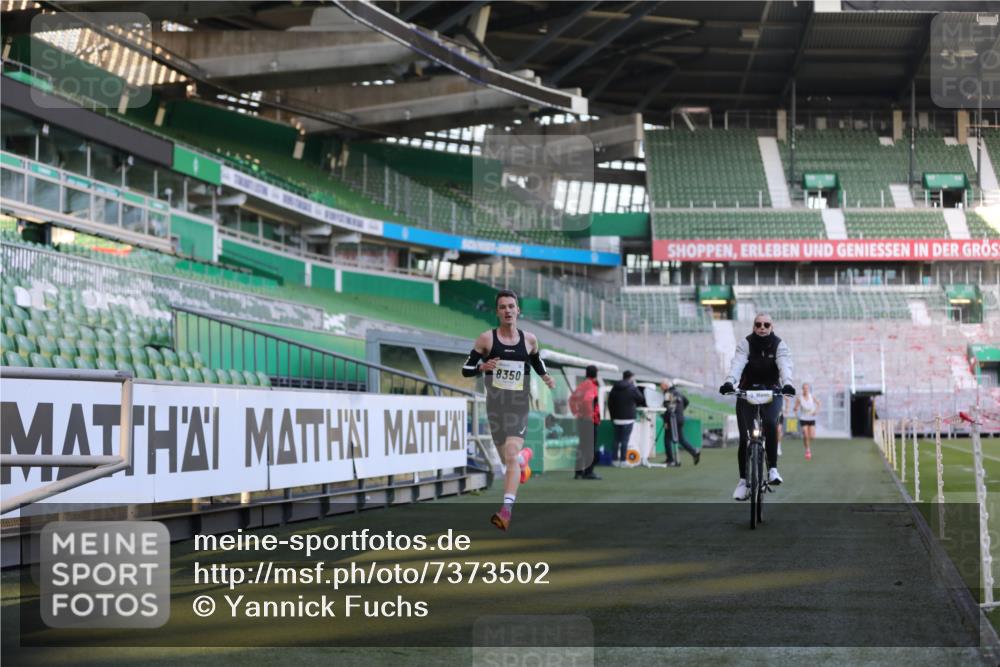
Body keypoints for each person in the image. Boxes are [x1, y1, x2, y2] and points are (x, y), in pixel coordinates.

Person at [462, 289, 556, 531]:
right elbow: (466, 368)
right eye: (503, 307)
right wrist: (482, 367)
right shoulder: (486, 339)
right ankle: (525, 459)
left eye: (511, 306)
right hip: (495, 407)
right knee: (509, 459)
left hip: (518, 406)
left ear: (518, 310)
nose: (507, 311)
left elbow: (535, 359)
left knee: (511, 454)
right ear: (497, 312)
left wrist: (544, 375)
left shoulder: (530, 339)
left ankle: (506, 511)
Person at [719, 313, 794, 501]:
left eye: (766, 324)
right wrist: (729, 382)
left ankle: (773, 470)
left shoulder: (779, 345)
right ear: (754, 326)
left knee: (770, 423)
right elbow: (737, 364)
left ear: (771, 327)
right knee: (745, 437)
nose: (762, 327)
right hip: (747, 391)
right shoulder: (745, 343)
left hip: (772, 391)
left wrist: (788, 383)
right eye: (758, 324)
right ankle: (743, 481)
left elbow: (785, 365)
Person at [608, 370, 646, 466]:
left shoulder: (614, 387)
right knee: (625, 440)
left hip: (616, 417)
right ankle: (623, 461)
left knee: (616, 439)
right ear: (631, 377)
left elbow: (610, 402)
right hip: (628, 418)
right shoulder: (632, 388)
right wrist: (635, 386)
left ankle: (614, 460)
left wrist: (612, 416)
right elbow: (641, 398)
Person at [569, 365, 601, 480]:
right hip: (589, 420)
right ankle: (588, 472)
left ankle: (578, 472)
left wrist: (576, 412)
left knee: (582, 446)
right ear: (596, 374)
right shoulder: (591, 385)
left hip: (582, 420)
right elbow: (588, 400)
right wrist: (590, 415)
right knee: (590, 447)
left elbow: (572, 399)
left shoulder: (582, 385)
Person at [660, 379, 699, 466]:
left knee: (667, 439)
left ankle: (670, 460)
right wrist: (680, 411)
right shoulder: (678, 393)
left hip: (672, 419)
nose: (660, 387)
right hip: (680, 418)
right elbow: (686, 402)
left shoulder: (668, 394)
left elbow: (668, 408)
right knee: (681, 439)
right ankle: (694, 452)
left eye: (661, 385)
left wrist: (665, 420)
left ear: (666, 385)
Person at [795, 383, 820, 460]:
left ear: (809, 389)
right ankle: (807, 450)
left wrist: (816, 411)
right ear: (802, 389)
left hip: (811, 418)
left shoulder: (812, 396)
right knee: (805, 435)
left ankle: (807, 442)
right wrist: (796, 412)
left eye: (807, 388)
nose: (806, 390)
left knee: (812, 436)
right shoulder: (800, 398)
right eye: (804, 388)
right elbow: (796, 407)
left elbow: (819, 403)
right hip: (803, 418)